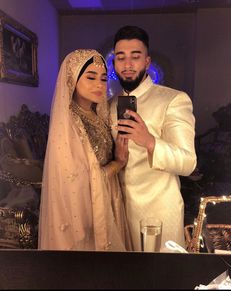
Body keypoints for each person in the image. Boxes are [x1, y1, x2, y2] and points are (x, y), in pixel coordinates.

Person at [109, 25, 197, 251]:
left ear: (147, 62)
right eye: (121, 58)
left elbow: (188, 163)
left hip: (158, 214)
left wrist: (149, 141)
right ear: (114, 64)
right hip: (116, 212)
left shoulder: (173, 100)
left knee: (159, 280)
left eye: (135, 57)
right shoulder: (109, 105)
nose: (127, 65)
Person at [38, 49, 132, 251]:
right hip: (82, 210)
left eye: (103, 78)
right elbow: (77, 178)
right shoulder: (69, 121)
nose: (99, 84)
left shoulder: (98, 115)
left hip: (107, 200)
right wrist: (118, 163)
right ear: (72, 78)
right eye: (90, 77)